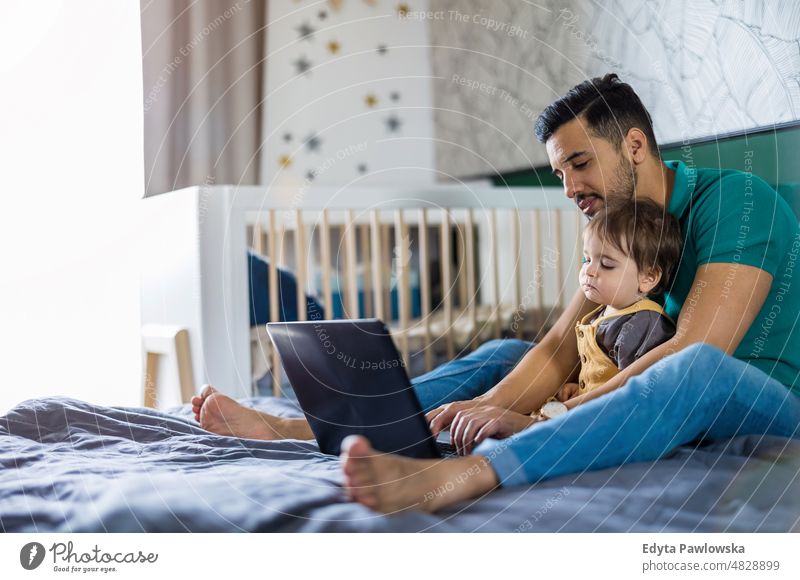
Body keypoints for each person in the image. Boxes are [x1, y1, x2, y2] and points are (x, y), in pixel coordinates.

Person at [193, 73, 800, 514]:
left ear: (635, 146)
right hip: (673, 398)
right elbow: (561, 345)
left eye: (580, 164)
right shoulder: (618, 231)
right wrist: (490, 408)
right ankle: (308, 430)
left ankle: (468, 475)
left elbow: (697, 351)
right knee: (509, 353)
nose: (569, 188)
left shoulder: (738, 205)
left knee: (694, 368)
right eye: (561, 173)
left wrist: (546, 418)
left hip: (764, 405)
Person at [537, 198, 681, 417]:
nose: (589, 271)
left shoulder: (641, 323)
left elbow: (633, 392)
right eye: (587, 259)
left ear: (648, 277)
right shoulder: (604, 312)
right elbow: (606, 377)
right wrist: (582, 389)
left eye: (606, 264)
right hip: (594, 409)